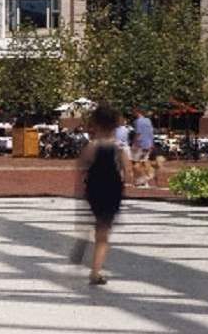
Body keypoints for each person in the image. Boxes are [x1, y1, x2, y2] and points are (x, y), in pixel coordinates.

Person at [78, 105, 131, 286]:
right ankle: (95, 271)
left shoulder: (91, 147)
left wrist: (81, 193)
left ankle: (91, 255)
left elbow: (82, 170)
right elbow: (128, 172)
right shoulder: (119, 148)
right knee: (103, 234)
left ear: (96, 125)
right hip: (112, 191)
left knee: (98, 226)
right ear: (115, 126)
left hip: (94, 190)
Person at [130, 109, 157, 187]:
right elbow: (151, 133)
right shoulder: (148, 120)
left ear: (137, 113)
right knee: (144, 162)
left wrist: (134, 144)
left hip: (139, 144)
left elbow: (138, 134)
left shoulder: (137, 121)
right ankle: (147, 178)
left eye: (134, 113)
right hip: (148, 144)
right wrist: (152, 144)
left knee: (135, 163)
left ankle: (139, 180)